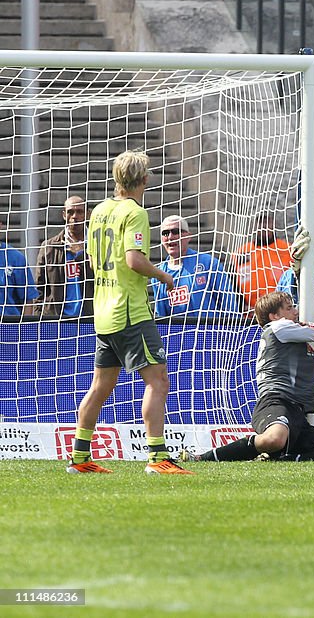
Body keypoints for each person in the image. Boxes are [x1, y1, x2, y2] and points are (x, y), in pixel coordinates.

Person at [67, 150, 189, 475]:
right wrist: (163, 275)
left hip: (103, 312)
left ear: (116, 177)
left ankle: (79, 458)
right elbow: (134, 260)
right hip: (130, 311)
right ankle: (156, 457)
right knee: (158, 380)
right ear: (145, 179)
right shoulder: (135, 212)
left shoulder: (99, 211)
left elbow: (93, 262)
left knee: (101, 386)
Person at [180, 292, 314, 464]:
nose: (295, 311)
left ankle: (279, 459)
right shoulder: (278, 327)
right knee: (274, 439)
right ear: (274, 316)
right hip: (276, 402)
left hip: (297, 413)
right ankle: (202, 458)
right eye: (289, 308)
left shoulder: (291, 331)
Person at [151, 215, 240, 318]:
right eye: (165, 233)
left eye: (176, 231)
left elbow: (229, 305)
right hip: (177, 333)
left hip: (209, 332)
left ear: (188, 236)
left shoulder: (209, 264)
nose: (170, 237)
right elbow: (161, 317)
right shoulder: (158, 276)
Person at [36, 195, 91, 318]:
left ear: (87, 214)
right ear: (64, 215)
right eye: (70, 212)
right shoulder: (49, 247)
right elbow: (39, 289)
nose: (75, 216)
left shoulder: (97, 244)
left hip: (89, 319)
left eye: (79, 212)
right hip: (56, 319)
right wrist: (38, 317)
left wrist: (81, 255)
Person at [233, 212, 291, 313]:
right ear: (254, 227)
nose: (264, 226)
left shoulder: (287, 250)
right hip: (249, 312)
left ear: (273, 225)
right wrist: (241, 305)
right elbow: (235, 283)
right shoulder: (242, 252)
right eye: (260, 223)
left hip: (279, 310)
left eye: (267, 222)